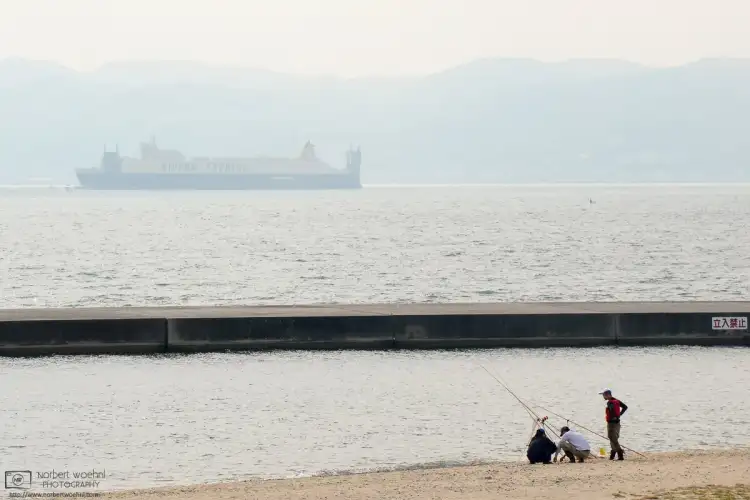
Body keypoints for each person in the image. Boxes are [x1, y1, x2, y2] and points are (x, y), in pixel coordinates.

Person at [600, 388, 628, 460]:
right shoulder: (617, 401)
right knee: (613, 438)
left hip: (611, 424)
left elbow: (611, 410)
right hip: (617, 422)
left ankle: (620, 453)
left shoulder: (610, 402)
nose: (603, 397)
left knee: (612, 438)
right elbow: (625, 407)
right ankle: (613, 453)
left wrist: (613, 416)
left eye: (604, 395)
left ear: (608, 395)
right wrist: (619, 415)